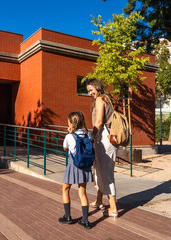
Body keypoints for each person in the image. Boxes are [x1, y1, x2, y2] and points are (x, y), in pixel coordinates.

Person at [86, 78, 118, 218]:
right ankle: (99, 200)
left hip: (104, 139)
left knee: (105, 172)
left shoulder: (100, 100)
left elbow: (98, 122)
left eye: (91, 90)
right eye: (88, 91)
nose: (89, 94)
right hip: (112, 138)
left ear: (97, 88)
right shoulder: (107, 98)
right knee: (100, 170)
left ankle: (113, 207)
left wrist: (91, 137)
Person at [58, 111, 93, 229]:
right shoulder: (87, 135)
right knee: (82, 192)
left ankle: (67, 216)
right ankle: (85, 220)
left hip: (74, 166)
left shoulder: (69, 136)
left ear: (71, 124)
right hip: (85, 166)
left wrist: (69, 133)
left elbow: (64, 148)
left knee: (65, 189)